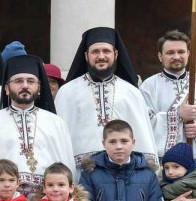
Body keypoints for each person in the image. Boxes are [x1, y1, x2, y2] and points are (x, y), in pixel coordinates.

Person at [0, 54, 74, 200]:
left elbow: (68, 169)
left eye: (31, 81)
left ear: (39, 88)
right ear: (7, 88)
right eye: (18, 81)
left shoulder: (56, 123)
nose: (25, 85)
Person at [55, 26, 158, 167]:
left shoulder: (131, 92)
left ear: (115, 54)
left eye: (106, 51)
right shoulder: (67, 91)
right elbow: (60, 138)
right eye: (95, 52)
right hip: (81, 174)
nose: (101, 56)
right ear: (86, 56)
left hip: (123, 173)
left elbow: (143, 136)